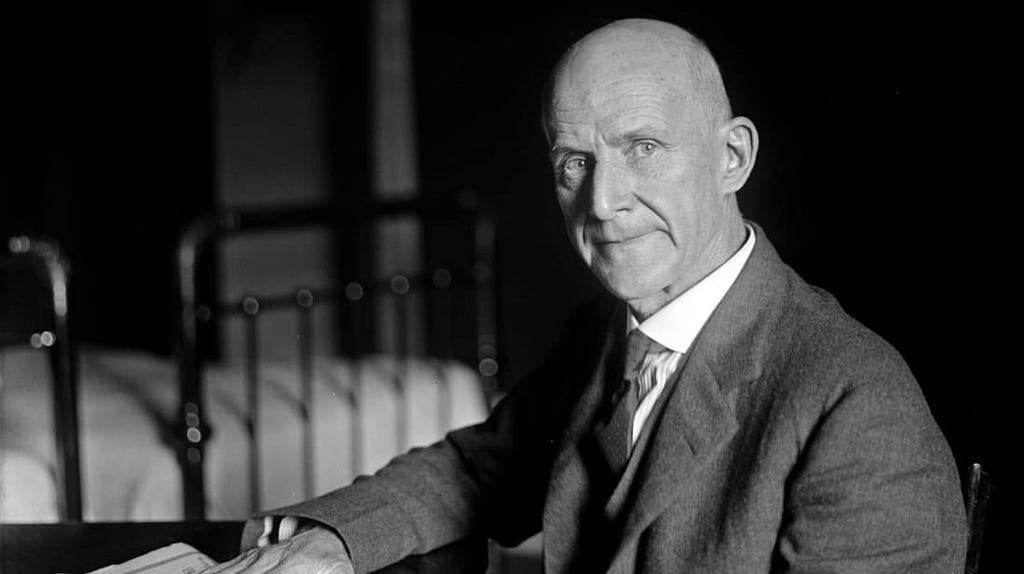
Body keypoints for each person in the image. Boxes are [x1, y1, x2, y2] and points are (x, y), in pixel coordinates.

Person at [205, 18, 966, 574]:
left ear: (732, 157)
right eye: (575, 162)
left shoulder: (857, 400)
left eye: (643, 149)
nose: (602, 203)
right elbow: (478, 472)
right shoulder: (605, 335)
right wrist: (327, 544)